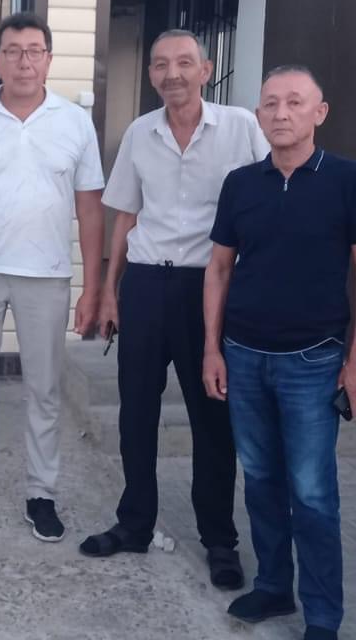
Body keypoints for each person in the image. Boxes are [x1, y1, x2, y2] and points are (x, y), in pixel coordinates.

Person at [78, 30, 269, 592]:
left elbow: (268, 199)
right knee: (136, 413)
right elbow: (126, 216)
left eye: (185, 62)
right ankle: (135, 523)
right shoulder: (140, 133)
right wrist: (110, 291)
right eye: (161, 64)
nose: (173, 73)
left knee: (212, 418)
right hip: (145, 286)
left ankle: (219, 541)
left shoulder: (241, 129)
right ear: (151, 75)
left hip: (209, 288)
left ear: (206, 70)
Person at [202, 66, 356, 640]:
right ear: (259, 114)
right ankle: (274, 586)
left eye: (295, 103)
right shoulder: (240, 184)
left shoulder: (349, 181)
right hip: (243, 356)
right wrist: (211, 350)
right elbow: (219, 268)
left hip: (313, 361)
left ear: (318, 113)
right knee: (259, 480)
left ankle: (323, 616)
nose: (281, 113)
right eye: (271, 103)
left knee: (311, 492)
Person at [0, 12, 106, 542]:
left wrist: (93, 287)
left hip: (47, 275)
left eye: (34, 51)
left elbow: (90, 209)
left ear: (49, 60)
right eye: (12, 51)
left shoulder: (74, 123)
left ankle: (41, 493)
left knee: (44, 390)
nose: (24, 61)